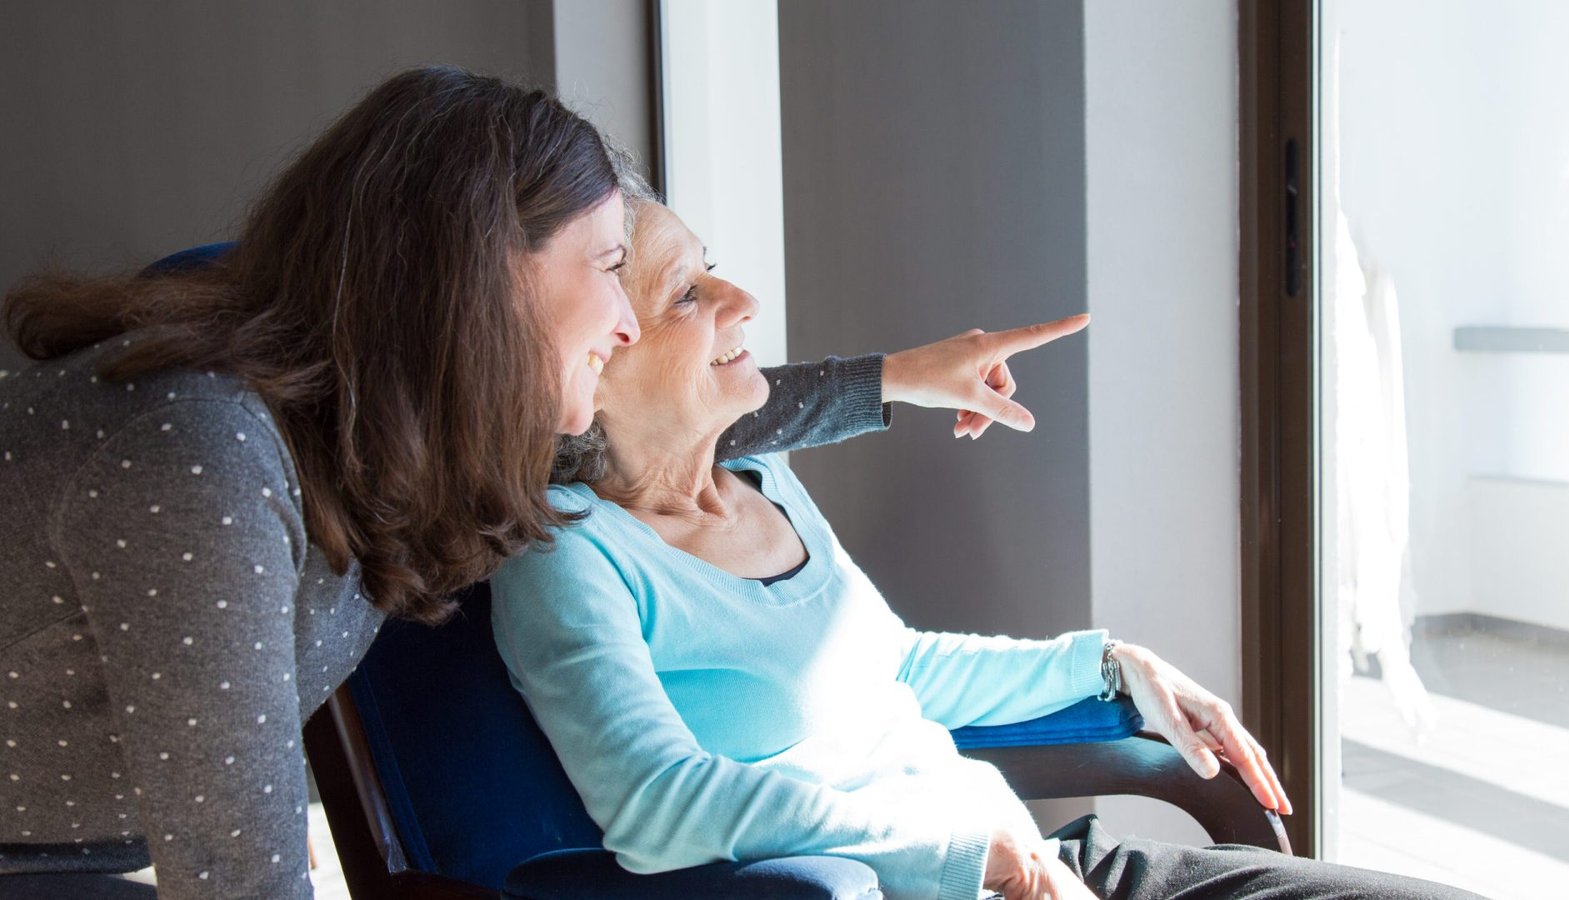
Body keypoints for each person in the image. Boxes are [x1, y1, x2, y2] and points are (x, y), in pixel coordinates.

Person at [0, 67, 1048, 899]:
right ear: (485, 277)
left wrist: (891, 381)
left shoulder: (399, 429)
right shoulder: (202, 457)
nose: (628, 324)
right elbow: (238, 882)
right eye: (609, 268)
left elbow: (655, 419)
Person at [490, 200, 1488, 900]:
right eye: (685, 295)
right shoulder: (571, 555)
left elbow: (896, 670)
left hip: (1037, 865)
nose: (740, 299)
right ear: (595, 357)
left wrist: (1109, 665)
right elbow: (659, 806)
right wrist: (968, 848)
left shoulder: (761, 481)